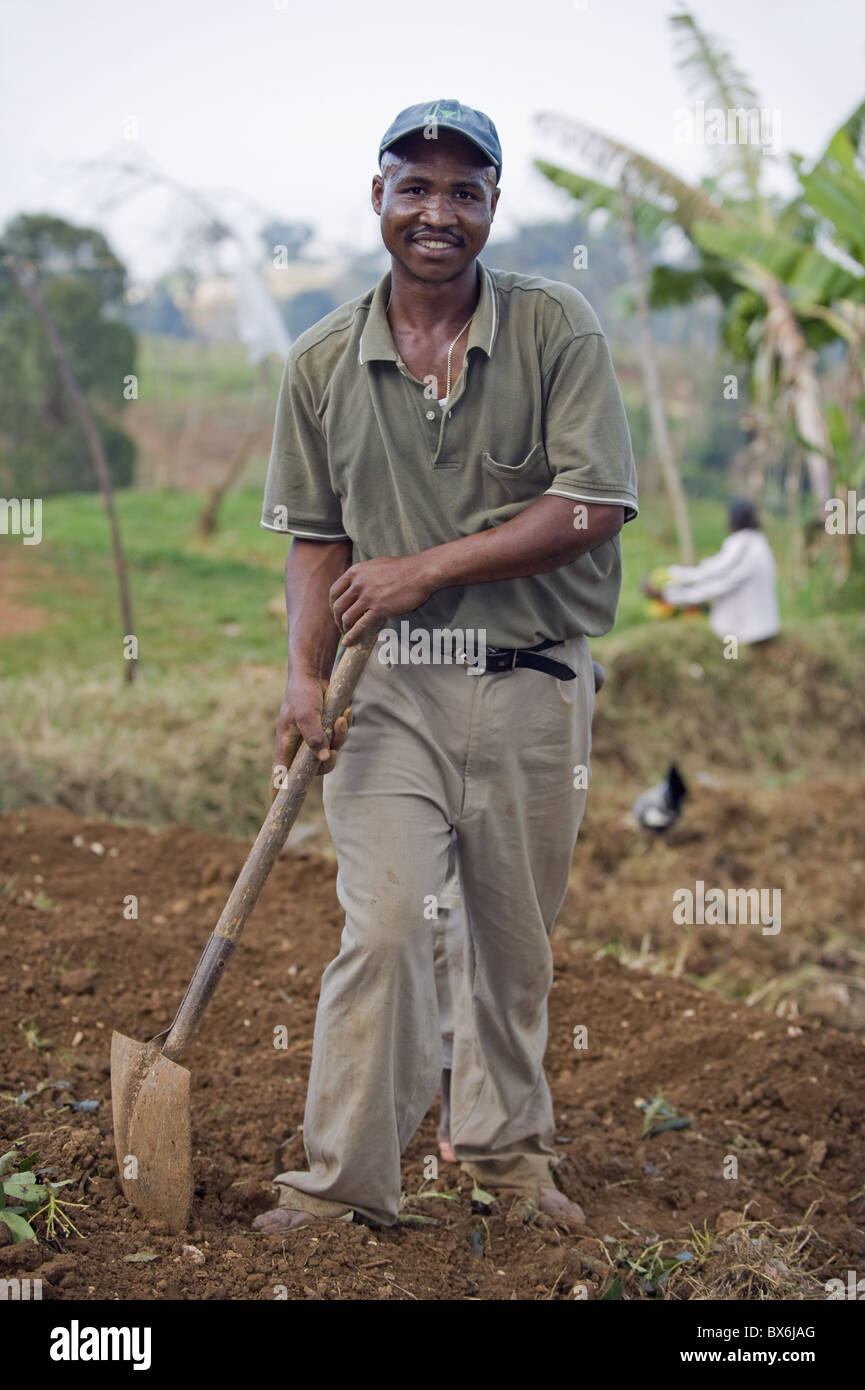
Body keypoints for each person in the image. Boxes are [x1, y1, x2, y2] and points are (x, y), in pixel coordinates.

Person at [252, 99, 638, 1235]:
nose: (437, 211)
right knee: (382, 931)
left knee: (510, 946)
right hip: (389, 688)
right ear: (377, 196)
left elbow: (593, 504)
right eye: (414, 186)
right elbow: (316, 540)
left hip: (533, 682)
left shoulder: (554, 328)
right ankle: (342, 1187)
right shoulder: (322, 361)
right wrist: (302, 676)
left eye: (463, 191)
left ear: (491, 208)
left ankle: (505, 1160)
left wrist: (423, 569)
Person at [642, 498, 780, 645]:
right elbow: (715, 570)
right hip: (755, 629)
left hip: (746, 634)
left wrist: (669, 594)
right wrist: (675, 576)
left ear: (733, 520)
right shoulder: (755, 543)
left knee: (727, 656)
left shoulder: (745, 546)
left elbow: (719, 578)